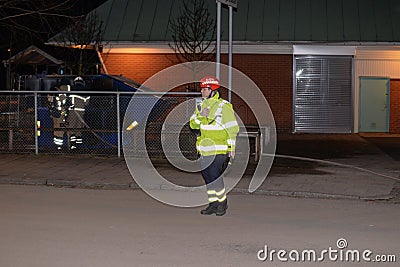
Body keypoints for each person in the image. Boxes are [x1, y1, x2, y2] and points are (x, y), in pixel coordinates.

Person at [190, 76, 239, 216]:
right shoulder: (200, 105)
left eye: (204, 89)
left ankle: (222, 203)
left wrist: (232, 148)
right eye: (201, 89)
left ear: (212, 90)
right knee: (207, 177)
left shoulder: (224, 106)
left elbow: (232, 128)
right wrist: (200, 115)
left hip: (219, 149)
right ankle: (213, 204)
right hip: (205, 150)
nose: (202, 92)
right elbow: (192, 124)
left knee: (214, 176)